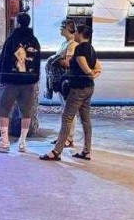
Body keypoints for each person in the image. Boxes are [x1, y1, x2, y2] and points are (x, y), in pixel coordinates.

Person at [41, 23, 97, 161]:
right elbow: (98, 67)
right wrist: (93, 75)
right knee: (86, 120)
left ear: (81, 34)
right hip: (89, 87)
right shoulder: (91, 48)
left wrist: (89, 73)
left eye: (76, 32)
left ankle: (57, 151)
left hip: (78, 88)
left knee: (67, 118)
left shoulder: (79, 49)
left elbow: (84, 67)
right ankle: (86, 151)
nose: (74, 34)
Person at [0, 12, 41, 154]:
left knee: (3, 110)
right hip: (28, 82)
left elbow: (5, 60)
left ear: (17, 22)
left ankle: (4, 140)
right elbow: (37, 61)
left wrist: (2, 78)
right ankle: (22, 142)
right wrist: (34, 78)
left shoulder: (11, 40)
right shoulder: (34, 40)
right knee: (26, 112)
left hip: (11, 80)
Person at [45, 19, 80, 148]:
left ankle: (69, 137)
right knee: (64, 109)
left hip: (67, 81)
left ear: (67, 29)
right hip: (61, 81)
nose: (60, 29)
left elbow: (68, 63)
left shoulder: (72, 45)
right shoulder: (64, 43)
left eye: (62, 27)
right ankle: (63, 136)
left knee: (69, 110)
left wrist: (54, 59)